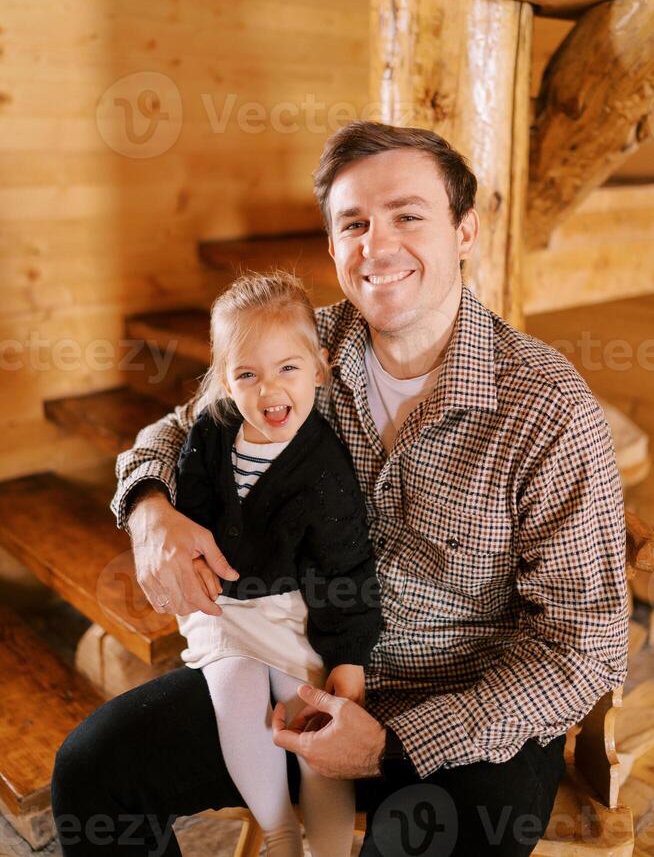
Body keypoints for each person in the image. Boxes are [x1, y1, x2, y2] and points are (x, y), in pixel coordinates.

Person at [51, 121, 629, 857]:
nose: (377, 245)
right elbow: (173, 430)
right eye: (354, 223)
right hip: (295, 667)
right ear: (333, 248)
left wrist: (391, 745)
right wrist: (148, 510)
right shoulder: (298, 348)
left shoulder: (548, 409)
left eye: (408, 216)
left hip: (464, 713)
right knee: (95, 770)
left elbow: (582, 647)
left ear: (464, 233)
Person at [172, 270, 381, 857]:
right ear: (223, 382)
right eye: (247, 375)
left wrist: (348, 657)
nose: (270, 391)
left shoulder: (323, 468)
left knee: (309, 721)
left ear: (318, 367)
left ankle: (331, 847)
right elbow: (191, 509)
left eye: (288, 368)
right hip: (225, 608)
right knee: (235, 695)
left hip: (292, 615)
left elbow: (346, 570)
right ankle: (281, 833)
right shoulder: (211, 434)